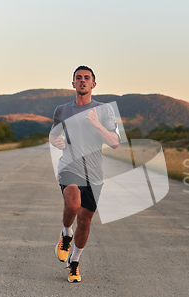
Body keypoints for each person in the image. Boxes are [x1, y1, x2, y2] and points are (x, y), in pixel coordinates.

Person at [49, 65, 119, 282]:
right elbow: (53, 135)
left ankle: (75, 262)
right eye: (78, 78)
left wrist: (97, 124)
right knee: (73, 205)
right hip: (70, 166)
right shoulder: (62, 110)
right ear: (73, 84)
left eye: (86, 78)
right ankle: (66, 233)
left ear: (93, 84)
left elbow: (115, 142)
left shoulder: (105, 110)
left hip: (94, 173)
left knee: (86, 221)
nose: (82, 81)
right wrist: (56, 140)